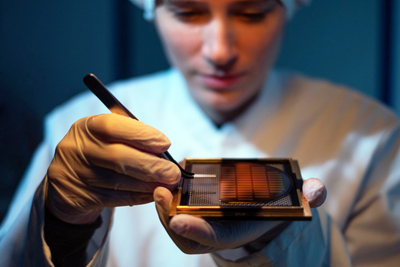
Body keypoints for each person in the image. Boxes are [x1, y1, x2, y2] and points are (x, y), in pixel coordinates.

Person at [1, 0, 399, 266]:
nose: (220, 51)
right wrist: (62, 222)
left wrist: (287, 243)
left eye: (252, 12)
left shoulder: (370, 136)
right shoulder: (79, 123)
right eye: (188, 12)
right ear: (152, 10)